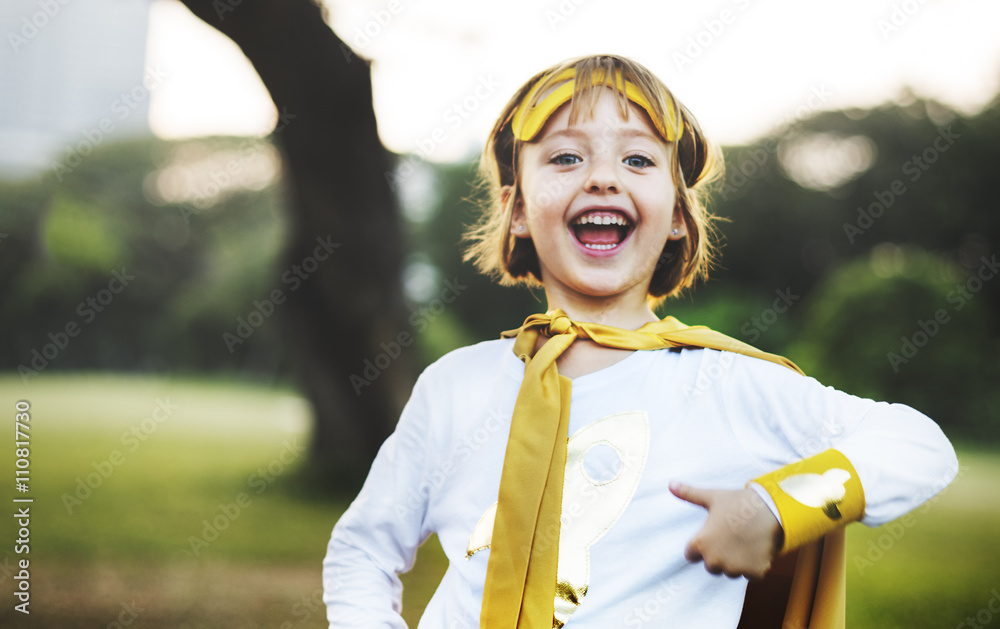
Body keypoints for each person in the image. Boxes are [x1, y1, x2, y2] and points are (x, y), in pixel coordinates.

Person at [323, 54, 958, 628]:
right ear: (517, 209)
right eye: (566, 157)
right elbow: (363, 550)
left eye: (637, 159)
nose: (602, 178)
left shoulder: (728, 384)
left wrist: (775, 506)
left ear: (678, 215)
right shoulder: (455, 387)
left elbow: (918, 445)